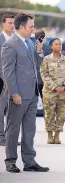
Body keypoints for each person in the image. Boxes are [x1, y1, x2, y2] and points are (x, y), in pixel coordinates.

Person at [1, 13, 49, 173]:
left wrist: (39, 50)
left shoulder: (29, 43)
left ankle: (29, 161)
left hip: (32, 94)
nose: (32, 30)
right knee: (13, 129)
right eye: (31, 27)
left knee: (29, 130)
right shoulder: (10, 45)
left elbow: (37, 63)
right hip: (18, 95)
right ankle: (10, 161)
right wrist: (14, 93)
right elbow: (8, 72)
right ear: (21, 27)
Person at [40, 38, 65, 144]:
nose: (59, 46)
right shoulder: (46, 59)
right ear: (51, 46)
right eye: (56, 44)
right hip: (49, 92)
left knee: (61, 114)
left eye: (60, 44)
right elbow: (44, 74)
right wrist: (54, 87)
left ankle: (57, 135)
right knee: (49, 114)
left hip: (63, 93)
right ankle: (49, 135)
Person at [0, 14, 15, 146]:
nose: (12, 25)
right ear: (2, 24)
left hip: (14, 81)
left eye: (13, 23)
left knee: (12, 110)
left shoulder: (16, 40)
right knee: (0, 109)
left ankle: (10, 137)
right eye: (9, 23)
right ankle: (1, 136)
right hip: (1, 80)